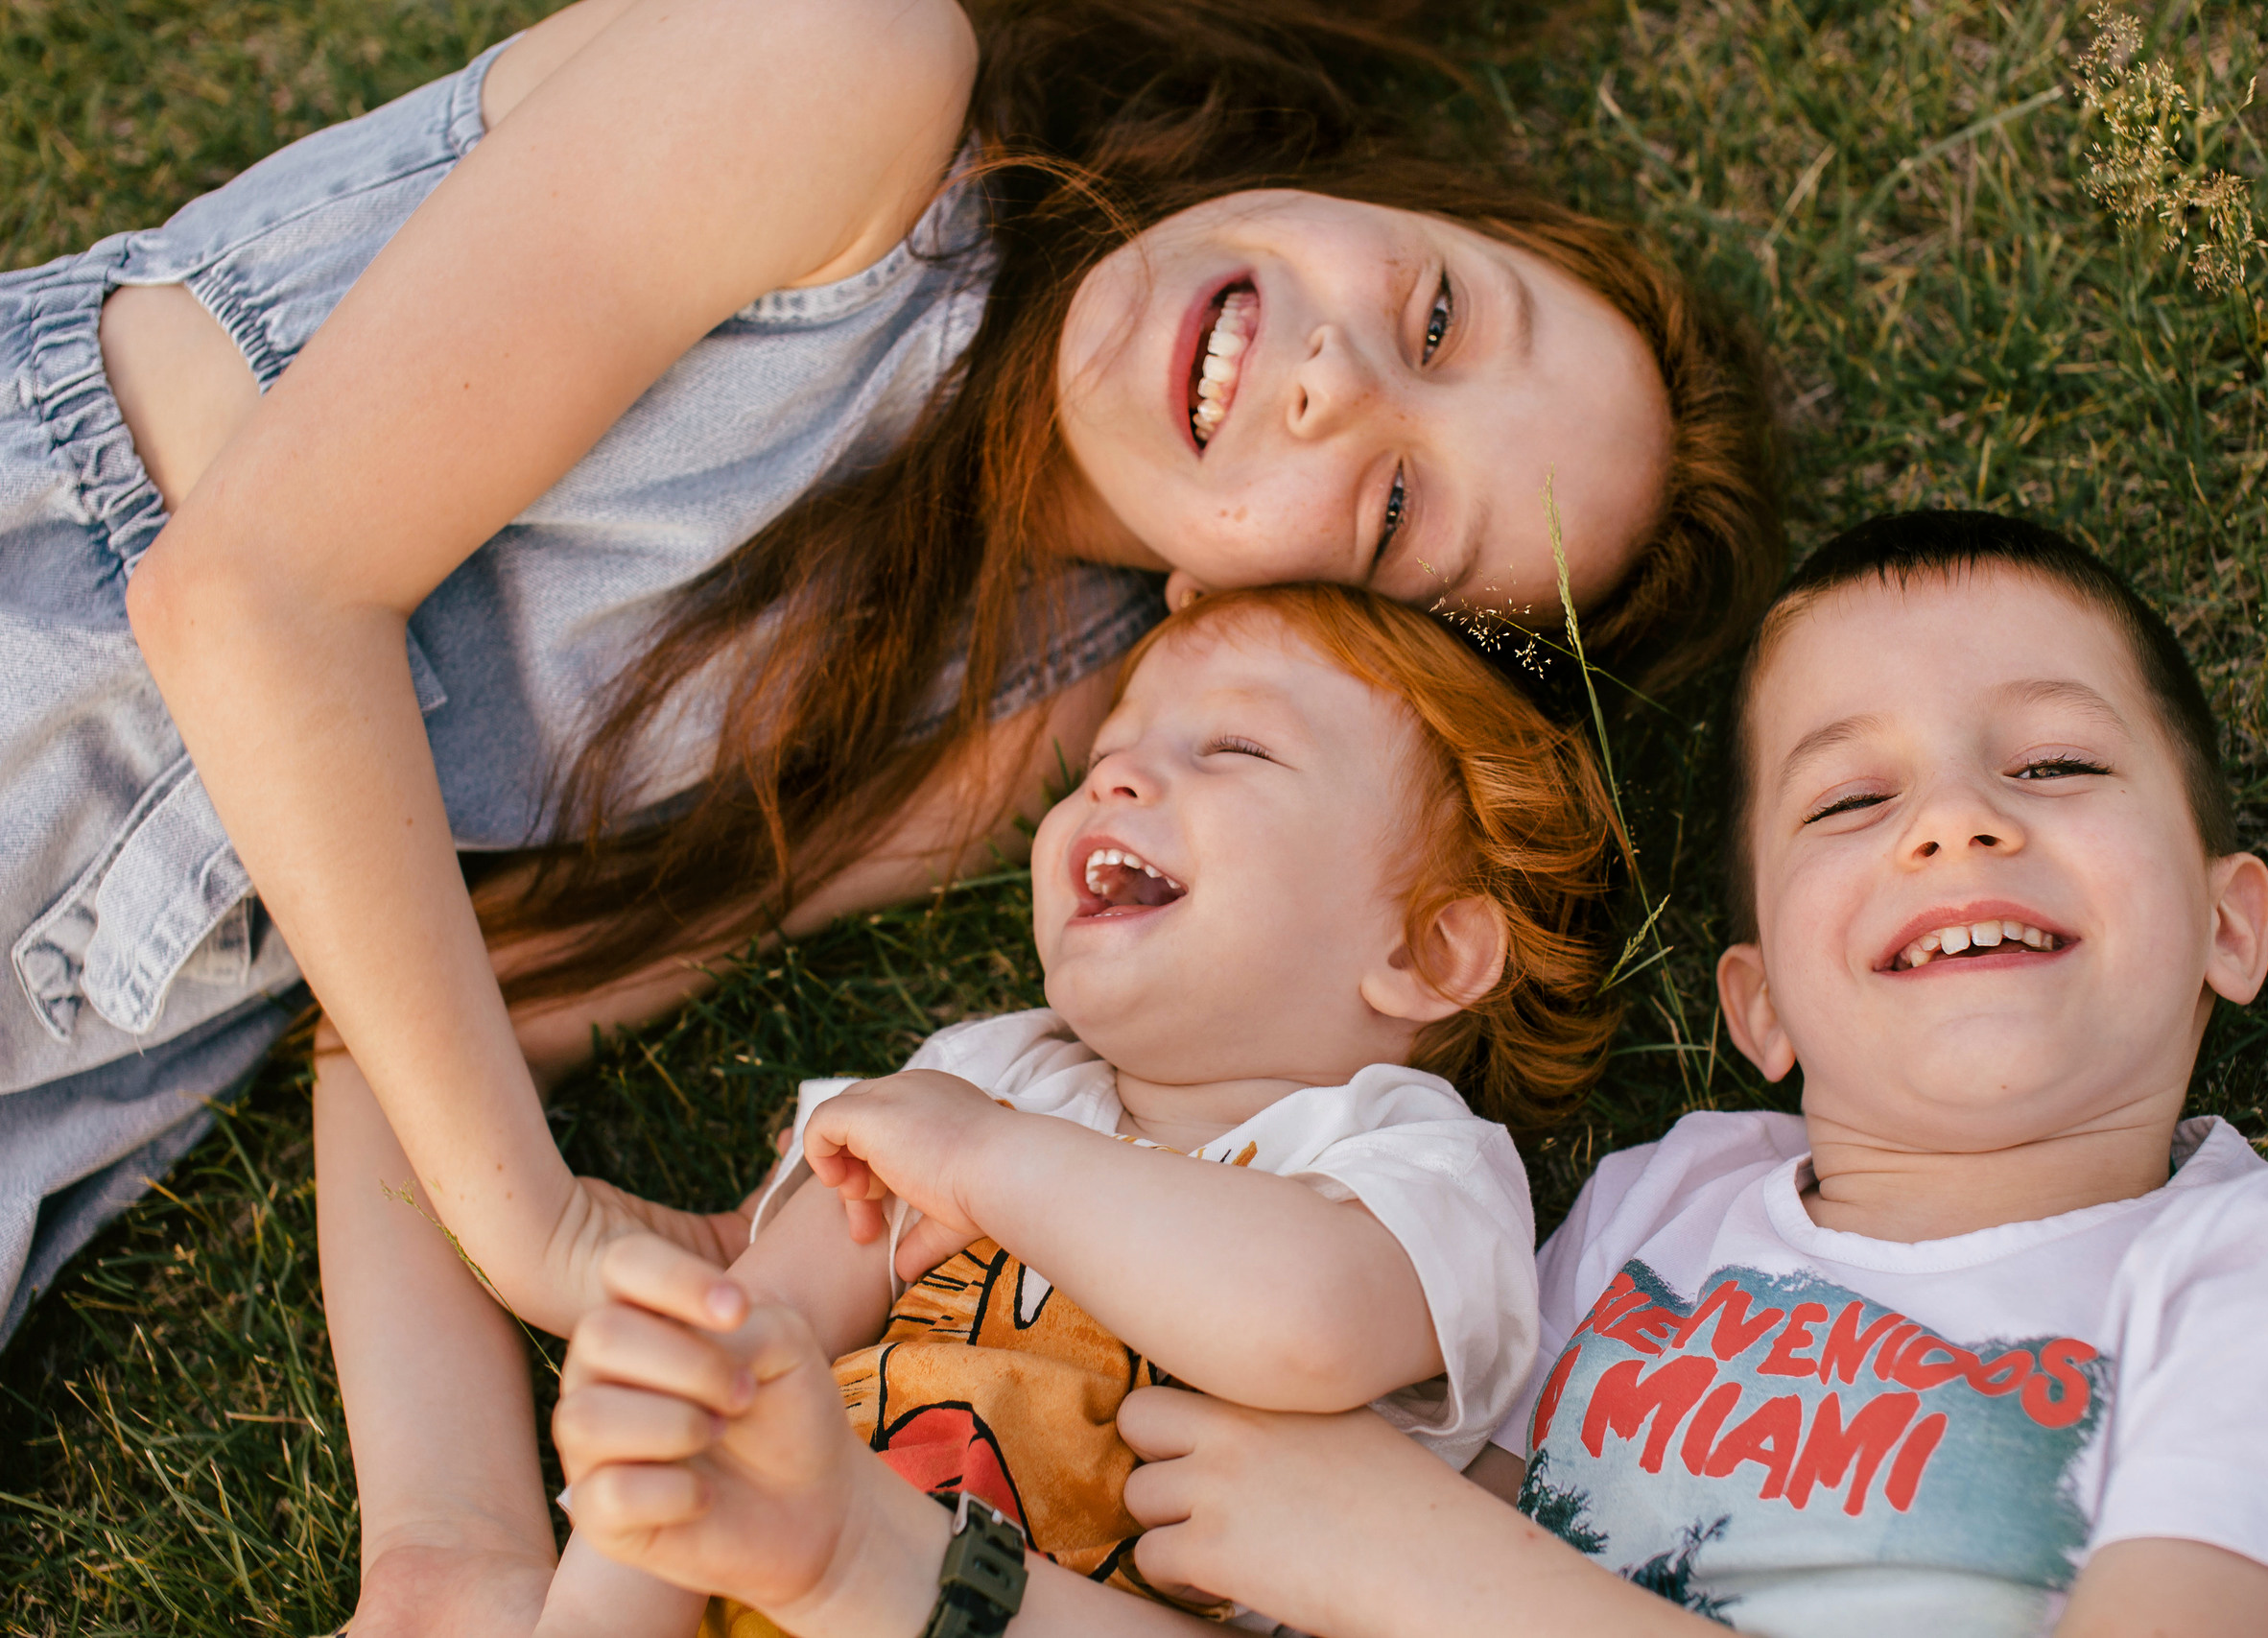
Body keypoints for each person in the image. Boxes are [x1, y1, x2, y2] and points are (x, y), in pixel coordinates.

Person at [0, 0, 1781, 1623]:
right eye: (1442, 313)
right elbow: (250, 593)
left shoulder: (1045, 717)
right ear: (1398, 204)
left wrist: (452, 1550)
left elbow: (468, 987)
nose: (1338, 384)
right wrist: (538, 1231)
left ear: (1294, 618)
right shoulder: (855, 74)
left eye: (1391, 508)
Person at [554, 513, 2268, 1638]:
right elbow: (1293, 1544)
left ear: (2229, 922)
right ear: (1756, 1002)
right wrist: (873, 1565)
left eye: (2052, 765)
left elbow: (1385, 1551)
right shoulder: (1654, 1210)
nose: (1952, 822)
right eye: (1848, 800)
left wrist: (1440, 1576)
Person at [535, 580, 1625, 1636]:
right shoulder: (985, 1075)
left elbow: (1305, 1327)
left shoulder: (1417, 1166)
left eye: (1235, 748)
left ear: (1426, 950)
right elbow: (734, 1356)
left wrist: (985, 1160)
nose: (1115, 777)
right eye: (1109, 750)